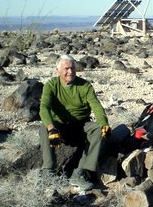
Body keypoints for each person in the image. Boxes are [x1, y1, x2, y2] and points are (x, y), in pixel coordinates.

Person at [39, 54, 110, 191]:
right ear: (57, 70)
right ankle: (49, 169)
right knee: (43, 128)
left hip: (81, 125)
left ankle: (80, 172)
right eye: (66, 69)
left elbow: (97, 107)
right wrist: (51, 128)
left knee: (98, 131)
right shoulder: (51, 85)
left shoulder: (85, 86)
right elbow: (44, 108)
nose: (70, 72)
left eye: (72, 68)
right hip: (60, 126)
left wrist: (104, 124)